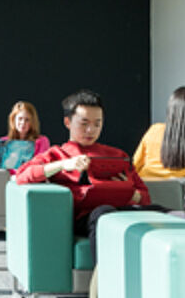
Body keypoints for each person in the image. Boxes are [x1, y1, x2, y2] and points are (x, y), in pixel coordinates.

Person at [15, 90, 153, 266]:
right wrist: (63, 165)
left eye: (97, 124)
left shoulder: (118, 155)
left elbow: (145, 197)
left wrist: (127, 192)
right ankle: (105, 281)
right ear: (67, 122)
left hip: (125, 211)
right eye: (84, 123)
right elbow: (22, 175)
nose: (91, 130)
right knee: (104, 213)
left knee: (174, 215)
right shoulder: (58, 154)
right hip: (88, 216)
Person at [0, 100, 51, 172]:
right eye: (20, 119)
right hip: (7, 177)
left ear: (32, 122)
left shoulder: (42, 141)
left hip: (30, 177)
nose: (23, 123)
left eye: (27, 120)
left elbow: (41, 164)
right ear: (13, 120)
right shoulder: (4, 142)